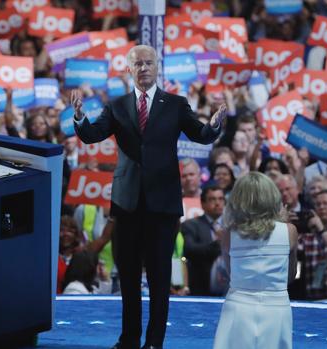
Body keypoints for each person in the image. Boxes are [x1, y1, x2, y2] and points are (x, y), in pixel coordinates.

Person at [71, 44, 226, 349]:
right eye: (138, 64)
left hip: (163, 205)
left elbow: (200, 134)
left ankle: (154, 342)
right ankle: (129, 339)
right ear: (129, 70)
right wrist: (79, 117)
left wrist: (216, 123)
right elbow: (92, 134)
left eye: (149, 63)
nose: (143, 68)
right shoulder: (117, 105)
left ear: (158, 68)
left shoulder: (176, 104)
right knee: (127, 276)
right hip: (127, 203)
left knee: (159, 278)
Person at [213, 172, 297, 349]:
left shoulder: (228, 234)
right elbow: (290, 276)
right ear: (272, 196)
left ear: (238, 199)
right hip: (277, 308)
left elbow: (231, 275)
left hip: (238, 308)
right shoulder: (290, 231)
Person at [182, 185, 225, 296]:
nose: (217, 203)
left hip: (229, 289)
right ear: (202, 204)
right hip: (201, 289)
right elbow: (189, 249)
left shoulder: (233, 227)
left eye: (221, 199)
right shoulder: (191, 225)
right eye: (212, 199)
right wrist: (220, 243)